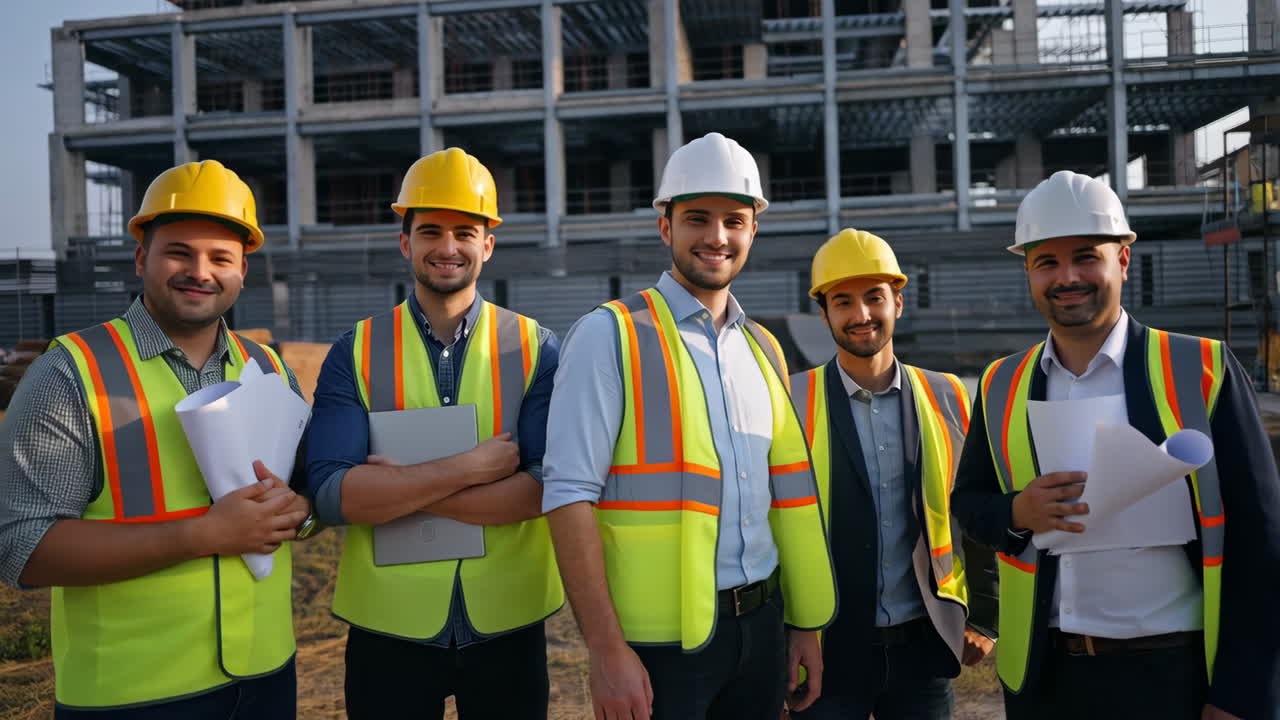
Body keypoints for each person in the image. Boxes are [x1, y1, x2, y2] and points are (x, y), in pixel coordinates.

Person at [951, 170, 1280, 720]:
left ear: (1123, 261)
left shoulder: (1202, 369)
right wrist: (1017, 511)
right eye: (1047, 262)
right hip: (1048, 678)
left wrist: (1241, 694)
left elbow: (1260, 539)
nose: (1067, 276)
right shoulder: (1001, 384)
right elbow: (970, 504)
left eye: (1086, 256)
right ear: (1028, 272)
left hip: (1173, 674)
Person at [0, 159, 311, 717]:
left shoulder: (266, 367)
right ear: (142, 258)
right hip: (132, 694)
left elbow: (301, 494)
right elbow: (22, 549)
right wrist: (204, 534)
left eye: (221, 258)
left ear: (244, 271)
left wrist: (302, 510)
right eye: (178, 253)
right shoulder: (72, 373)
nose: (200, 271)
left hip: (266, 676)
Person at [542, 132, 836, 720]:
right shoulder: (611, 336)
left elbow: (783, 501)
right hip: (656, 648)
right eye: (697, 218)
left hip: (761, 630)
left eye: (734, 220)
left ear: (754, 229)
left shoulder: (765, 349)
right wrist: (605, 651)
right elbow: (568, 495)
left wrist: (803, 626)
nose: (717, 237)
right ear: (665, 227)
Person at [303, 147, 561, 719]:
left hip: (508, 623)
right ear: (406, 242)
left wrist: (401, 492)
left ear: (487, 244)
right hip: (387, 628)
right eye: (431, 231)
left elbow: (546, 487)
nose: (448, 247)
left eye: (465, 231)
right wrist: (471, 469)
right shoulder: (356, 350)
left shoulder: (537, 348)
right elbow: (332, 495)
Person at [789, 229, 996, 719]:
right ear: (824, 314)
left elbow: (971, 504)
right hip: (826, 648)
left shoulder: (946, 393)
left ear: (897, 303)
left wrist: (985, 617)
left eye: (874, 297)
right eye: (843, 302)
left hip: (921, 648)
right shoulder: (789, 401)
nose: (860, 315)